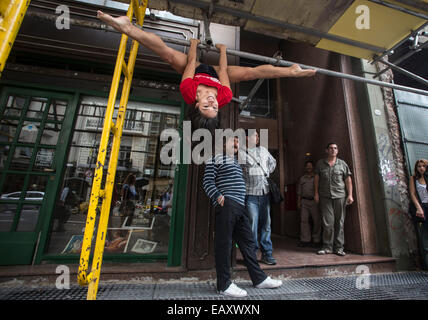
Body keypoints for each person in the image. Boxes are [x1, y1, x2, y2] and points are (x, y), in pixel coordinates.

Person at [96, 11, 316, 128]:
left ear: (197, 103)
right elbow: (222, 71)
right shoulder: (224, 96)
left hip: (195, 69)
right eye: (215, 108)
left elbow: (190, 64)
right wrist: (222, 49)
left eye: (207, 106)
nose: (212, 103)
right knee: (252, 72)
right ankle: (291, 72)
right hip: (218, 74)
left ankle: (126, 27)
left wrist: (192, 44)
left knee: (168, 54)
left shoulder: (188, 91)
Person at [203, 135, 282, 298]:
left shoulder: (236, 162)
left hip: (240, 207)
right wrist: (218, 197)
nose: (237, 143)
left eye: (238, 141)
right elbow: (208, 182)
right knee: (224, 244)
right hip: (227, 205)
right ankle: (223, 285)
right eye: (233, 141)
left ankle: (259, 279)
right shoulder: (215, 158)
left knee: (248, 243)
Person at [239, 130, 277, 265]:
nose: (257, 137)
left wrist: (265, 171)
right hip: (250, 194)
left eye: (257, 135)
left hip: (265, 193)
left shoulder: (264, 150)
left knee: (266, 225)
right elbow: (247, 165)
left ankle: (267, 253)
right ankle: (251, 254)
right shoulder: (241, 152)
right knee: (252, 225)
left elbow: (273, 163)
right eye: (254, 135)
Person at [314, 143, 353, 256]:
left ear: (337, 151)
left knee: (339, 222)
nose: (333, 150)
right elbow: (316, 179)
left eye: (335, 148)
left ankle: (339, 248)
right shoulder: (320, 164)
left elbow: (348, 180)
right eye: (331, 148)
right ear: (327, 150)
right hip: (325, 197)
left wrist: (350, 195)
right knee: (327, 223)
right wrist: (316, 194)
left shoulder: (342, 164)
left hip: (340, 196)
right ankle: (327, 247)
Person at [297, 160, 321, 248]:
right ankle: (305, 240)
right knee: (304, 221)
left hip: (314, 201)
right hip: (304, 202)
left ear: (313, 167)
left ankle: (316, 240)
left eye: (310, 166)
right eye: (307, 166)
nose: (309, 167)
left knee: (316, 221)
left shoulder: (316, 177)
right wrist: (299, 201)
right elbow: (299, 191)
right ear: (305, 168)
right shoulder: (302, 178)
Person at [409, 159, 428, 269]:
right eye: (419, 166)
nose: (421, 168)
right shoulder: (414, 178)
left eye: (423, 166)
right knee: (425, 237)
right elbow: (412, 194)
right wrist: (419, 208)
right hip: (422, 207)